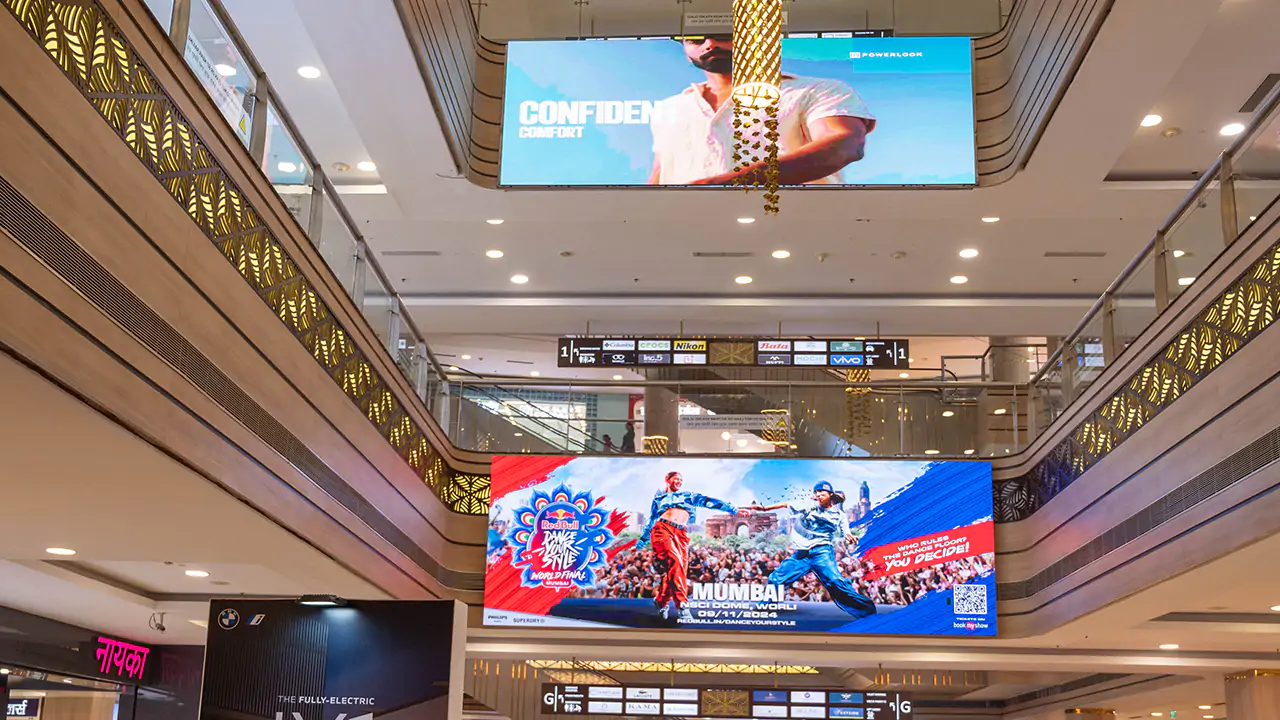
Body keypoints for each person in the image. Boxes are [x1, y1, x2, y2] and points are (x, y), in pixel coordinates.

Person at [648, 36, 876, 186]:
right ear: (686, 52)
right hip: (690, 229)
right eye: (696, 39)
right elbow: (661, 173)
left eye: (724, 36)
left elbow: (843, 145)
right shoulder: (669, 107)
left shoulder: (816, 90)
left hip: (799, 227)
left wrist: (733, 182)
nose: (709, 44)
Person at [750, 481, 876, 619]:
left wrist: (849, 536)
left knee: (835, 582)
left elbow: (845, 532)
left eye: (822, 493)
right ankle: (766, 605)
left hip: (822, 553)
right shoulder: (809, 506)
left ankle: (867, 610)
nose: (819, 495)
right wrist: (764, 509)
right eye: (816, 493)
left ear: (830, 495)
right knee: (777, 577)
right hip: (803, 553)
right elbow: (786, 504)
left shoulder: (839, 515)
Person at [640, 471, 750, 620]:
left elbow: (709, 501)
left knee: (678, 569)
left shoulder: (688, 496)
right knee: (675, 562)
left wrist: (734, 510)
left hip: (681, 534)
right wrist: (642, 541)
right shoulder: (660, 498)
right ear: (668, 480)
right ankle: (683, 606)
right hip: (662, 529)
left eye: (681, 479)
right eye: (676, 479)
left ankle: (661, 600)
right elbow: (652, 520)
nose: (679, 482)